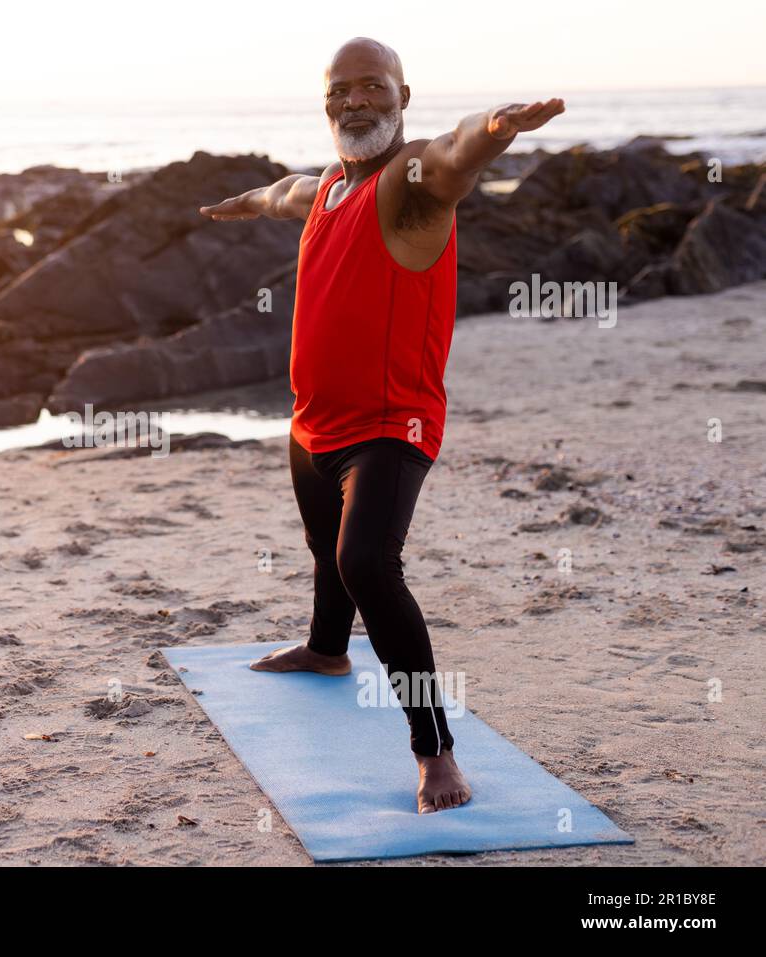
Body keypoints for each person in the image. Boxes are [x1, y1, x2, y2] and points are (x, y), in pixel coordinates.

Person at [199, 37, 565, 813]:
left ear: (403, 95)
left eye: (372, 87)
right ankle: (329, 651)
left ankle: (434, 753)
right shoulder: (330, 185)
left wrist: (494, 129)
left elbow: (453, 153)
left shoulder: (409, 183)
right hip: (313, 421)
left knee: (367, 563)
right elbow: (284, 190)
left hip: (389, 425)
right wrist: (249, 202)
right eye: (340, 89)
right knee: (325, 549)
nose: (354, 101)